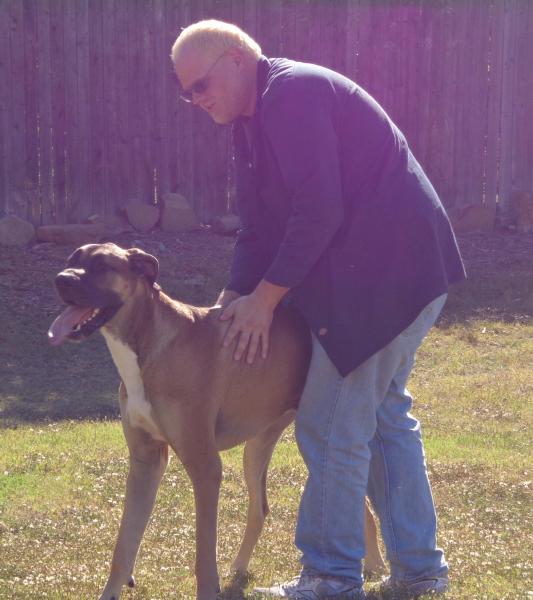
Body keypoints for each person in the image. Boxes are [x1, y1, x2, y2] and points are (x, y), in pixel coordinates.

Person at [171, 19, 466, 600]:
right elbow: (258, 228)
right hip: (389, 274)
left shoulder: (293, 95)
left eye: (200, 85)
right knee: (381, 419)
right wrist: (234, 297)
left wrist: (268, 300)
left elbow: (318, 210)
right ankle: (419, 571)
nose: (195, 100)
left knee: (330, 422)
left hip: (390, 274)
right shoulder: (251, 125)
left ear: (235, 59)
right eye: (186, 92)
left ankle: (331, 575)